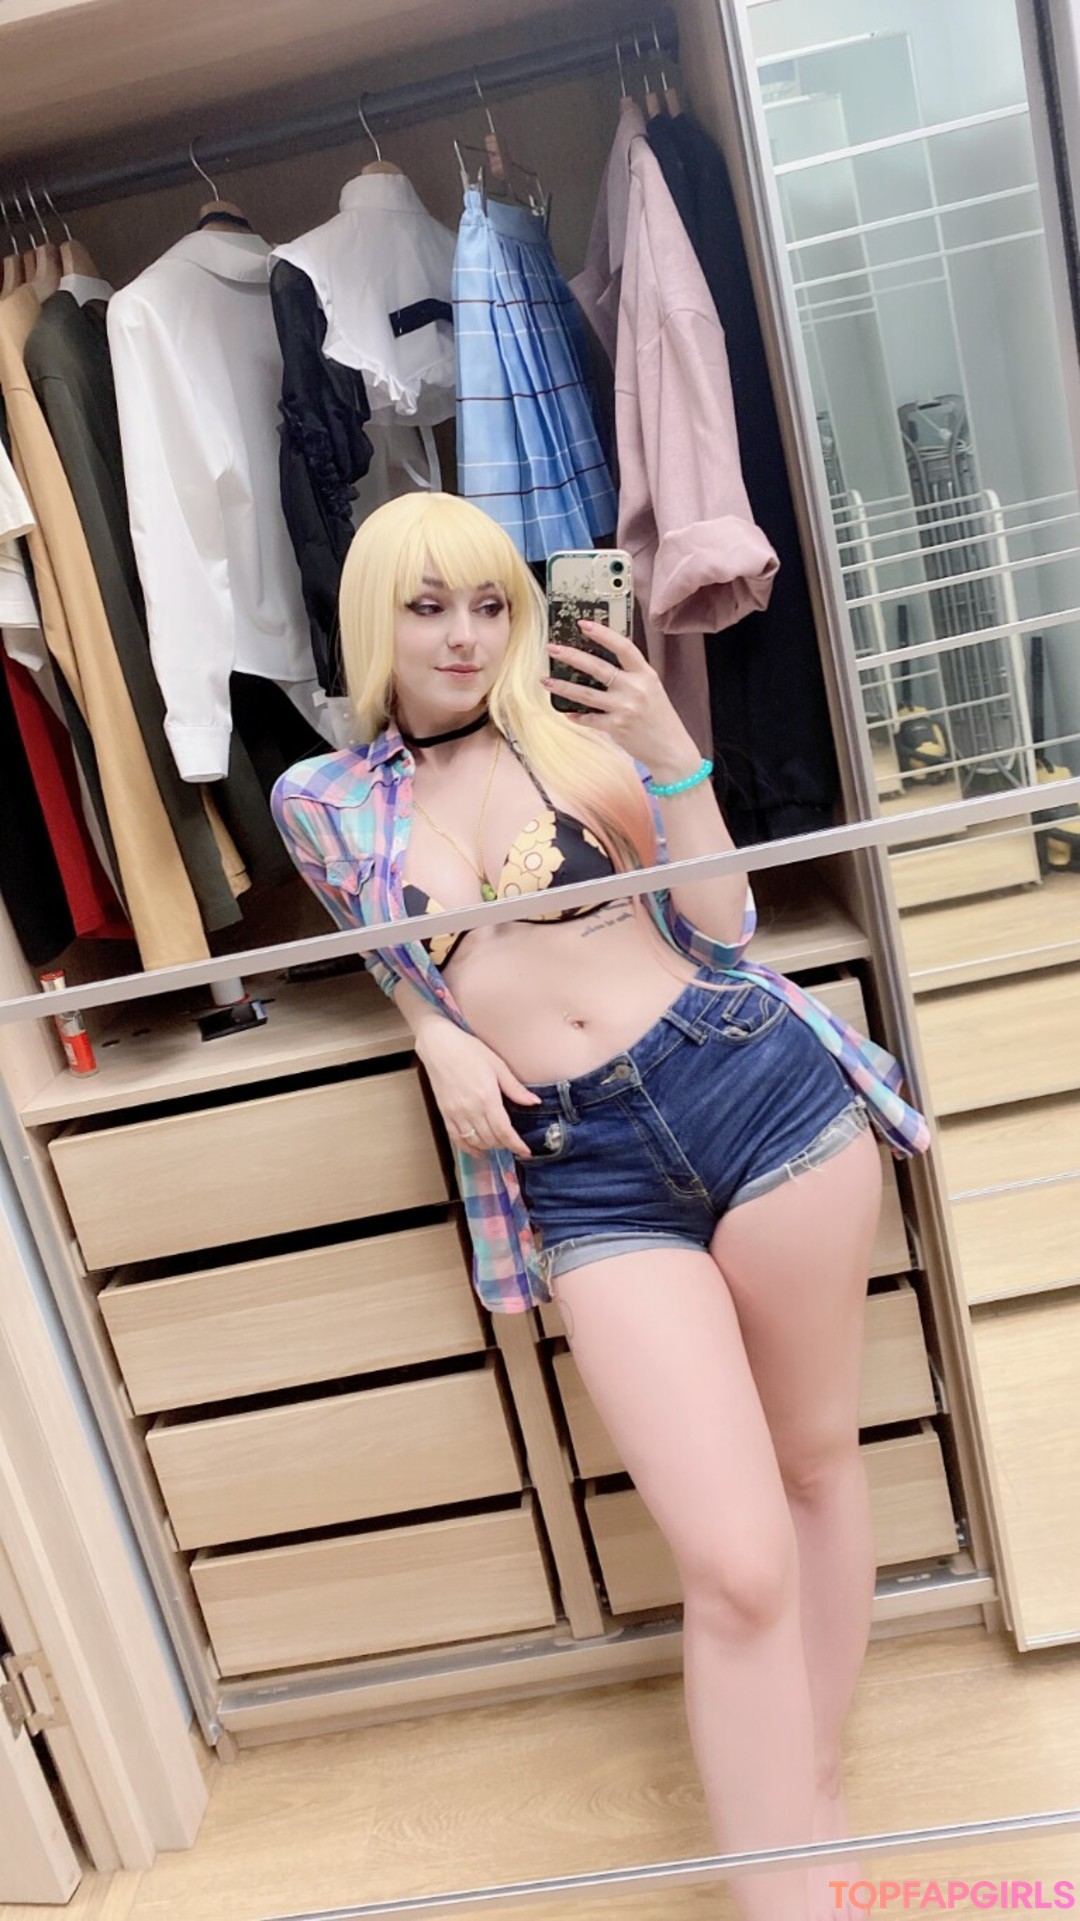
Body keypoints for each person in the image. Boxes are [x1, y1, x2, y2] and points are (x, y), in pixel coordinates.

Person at [272, 491, 930, 1921]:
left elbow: (727, 929)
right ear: (373, 619)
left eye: (489, 603)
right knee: (732, 1561)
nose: (463, 635)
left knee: (817, 1463)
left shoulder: (576, 735)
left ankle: (810, 1803)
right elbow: (393, 953)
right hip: (583, 1166)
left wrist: (671, 751)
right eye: (426, 606)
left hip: (748, 1087)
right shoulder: (320, 800)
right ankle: (789, 1862)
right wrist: (433, 1034)